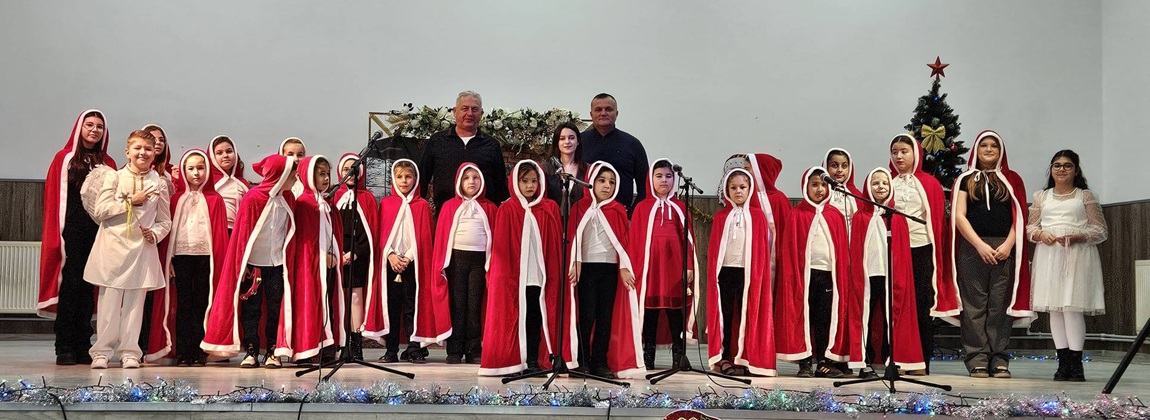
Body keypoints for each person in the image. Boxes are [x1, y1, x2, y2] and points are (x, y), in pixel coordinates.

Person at [84, 130, 172, 369]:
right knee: (109, 303)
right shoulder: (114, 177)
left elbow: (165, 220)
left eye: (148, 149)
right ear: (127, 152)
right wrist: (131, 200)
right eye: (138, 148)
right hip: (112, 247)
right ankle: (101, 351)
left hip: (141, 248)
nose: (143, 153)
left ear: (155, 153)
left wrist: (155, 233)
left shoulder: (159, 183)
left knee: (135, 304)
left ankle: (130, 351)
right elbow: (100, 210)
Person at [950, 130, 1034, 379]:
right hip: (973, 248)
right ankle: (977, 358)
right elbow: (959, 215)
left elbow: (1020, 216)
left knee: (1000, 305)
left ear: (1001, 151)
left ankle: (999, 358)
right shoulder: (965, 179)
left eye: (993, 146)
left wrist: (1008, 245)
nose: (988, 149)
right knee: (974, 306)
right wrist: (979, 245)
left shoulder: (1012, 179)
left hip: (1004, 248)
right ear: (976, 150)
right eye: (983, 145)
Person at [200, 154, 297, 368]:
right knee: (252, 309)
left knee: (275, 308)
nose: (295, 179)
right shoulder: (254, 197)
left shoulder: (288, 199)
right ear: (280, 176)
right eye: (292, 176)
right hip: (254, 265)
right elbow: (242, 234)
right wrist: (242, 264)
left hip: (277, 264)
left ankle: (272, 350)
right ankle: (250, 350)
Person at [479, 160, 571, 376]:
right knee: (516, 317)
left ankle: (533, 360)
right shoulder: (507, 209)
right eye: (525, 181)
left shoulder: (548, 208)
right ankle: (515, 360)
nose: (530, 186)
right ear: (515, 182)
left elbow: (554, 247)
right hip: (515, 277)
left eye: (534, 181)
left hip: (539, 276)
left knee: (536, 318)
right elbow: (501, 249)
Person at [39, 110, 117, 366]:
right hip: (71, 232)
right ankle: (64, 346)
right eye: (89, 125)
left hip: (98, 233)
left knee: (89, 288)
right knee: (71, 286)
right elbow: (54, 199)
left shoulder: (108, 163)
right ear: (79, 128)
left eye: (99, 126)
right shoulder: (64, 159)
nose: (94, 130)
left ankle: (84, 344)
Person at [1027, 150, 1107, 382]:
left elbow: (1100, 229)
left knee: (1072, 307)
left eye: (1067, 165)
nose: (1061, 169)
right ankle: (1063, 363)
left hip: (1077, 254)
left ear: (1076, 170)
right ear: (1051, 169)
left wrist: (1080, 236)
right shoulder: (1041, 197)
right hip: (1049, 255)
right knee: (1055, 309)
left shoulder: (1085, 196)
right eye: (1057, 165)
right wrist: (1041, 235)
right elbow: (1030, 228)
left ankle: (1076, 364)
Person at [888, 134, 960, 375]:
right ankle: (897, 359)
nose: (899, 156)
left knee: (922, 305)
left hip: (922, 249)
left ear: (915, 154)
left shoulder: (930, 183)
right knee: (897, 304)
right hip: (894, 249)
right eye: (895, 152)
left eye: (904, 151)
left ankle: (921, 361)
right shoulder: (888, 182)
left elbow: (938, 223)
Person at [845, 168, 924, 378]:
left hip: (890, 276)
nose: (880, 187)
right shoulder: (860, 217)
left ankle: (893, 359)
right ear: (867, 187)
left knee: (891, 318)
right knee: (867, 317)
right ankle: (865, 360)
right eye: (875, 183)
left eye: (885, 183)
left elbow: (902, 254)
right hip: (868, 276)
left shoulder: (897, 217)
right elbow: (856, 249)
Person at [776, 167, 851, 378]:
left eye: (824, 185)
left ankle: (824, 362)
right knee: (803, 318)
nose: (820, 189)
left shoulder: (835, 215)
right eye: (815, 185)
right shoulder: (796, 214)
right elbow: (789, 250)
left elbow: (841, 251)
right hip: (804, 276)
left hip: (827, 276)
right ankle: (805, 362)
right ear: (805, 187)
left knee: (824, 319)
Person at [157, 149, 229, 366]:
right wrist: (169, 260)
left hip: (206, 257)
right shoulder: (176, 199)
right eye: (191, 168)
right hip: (182, 256)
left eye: (200, 168)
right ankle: (184, 351)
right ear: (183, 171)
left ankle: (199, 350)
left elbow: (220, 234)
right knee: (184, 303)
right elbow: (170, 231)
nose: (196, 173)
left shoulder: (215, 199)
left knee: (202, 302)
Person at [626, 159, 699, 371]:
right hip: (650, 268)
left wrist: (688, 265)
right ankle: (648, 354)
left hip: (673, 266)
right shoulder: (642, 208)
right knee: (650, 311)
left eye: (668, 176)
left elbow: (688, 239)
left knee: (675, 310)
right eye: (659, 176)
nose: (664, 180)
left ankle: (679, 354)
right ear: (651, 179)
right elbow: (635, 240)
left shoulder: (680, 207)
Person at [363, 159, 436, 363]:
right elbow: (381, 234)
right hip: (391, 263)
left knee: (412, 306)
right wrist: (391, 255)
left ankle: (413, 349)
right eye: (400, 177)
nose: (404, 181)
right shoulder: (387, 204)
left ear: (416, 179)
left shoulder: (422, 206)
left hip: (413, 263)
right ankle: (391, 350)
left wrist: (408, 257)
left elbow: (424, 237)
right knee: (392, 307)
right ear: (393, 179)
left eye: (408, 177)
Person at [705, 168, 776, 377]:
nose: (738, 191)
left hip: (749, 274)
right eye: (733, 187)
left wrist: (758, 275)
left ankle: (747, 358)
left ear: (749, 189)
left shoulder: (757, 216)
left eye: (742, 187)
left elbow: (762, 250)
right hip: (726, 272)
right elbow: (715, 249)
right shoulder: (721, 216)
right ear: (727, 190)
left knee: (749, 315)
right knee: (726, 316)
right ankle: (725, 358)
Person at [568, 162, 634, 379]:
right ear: (591, 182)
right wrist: (576, 261)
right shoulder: (579, 208)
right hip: (586, 269)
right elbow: (573, 238)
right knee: (586, 316)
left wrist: (624, 267)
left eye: (612, 182)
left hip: (609, 269)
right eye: (602, 180)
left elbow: (623, 242)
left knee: (605, 317)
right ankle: (582, 361)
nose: (607, 186)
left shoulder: (618, 210)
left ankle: (600, 361)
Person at [432, 163, 498, 364]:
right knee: (457, 304)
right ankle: (454, 349)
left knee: (474, 305)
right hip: (456, 260)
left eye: (475, 177)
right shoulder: (449, 206)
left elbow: (496, 238)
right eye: (467, 178)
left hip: (479, 262)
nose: (471, 182)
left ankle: (473, 349)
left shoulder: (490, 207)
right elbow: (442, 237)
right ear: (459, 182)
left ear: (482, 181)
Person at [288, 155, 345, 364]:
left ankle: (327, 348)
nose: (326, 178)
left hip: (328, 265)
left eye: (327, 174)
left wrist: (334, 254)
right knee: (309, 305)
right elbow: (306, 240)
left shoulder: (327, 203)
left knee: (327, 304)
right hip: (309, 265)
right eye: (321, 174)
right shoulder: (304, 203)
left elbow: (332, 234)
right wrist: (322, 257)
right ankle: (306, 349)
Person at [418, 91, 510, 210]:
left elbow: (500, 184)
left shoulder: (491, 145)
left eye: (475, 109)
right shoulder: (437, 141)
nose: (470, 113)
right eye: (465, 109)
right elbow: (422, 177)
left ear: (481, 113)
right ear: (455, 111)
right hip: (446, 212)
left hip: (483, 214)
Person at [333, 153, 380, 361]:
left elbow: (371, 231)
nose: (350, 173)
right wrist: (338, 253)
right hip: (336, 256)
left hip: (358, 256)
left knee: (355, 297)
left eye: (354, 169)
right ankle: (340, 341)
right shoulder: (334, 195)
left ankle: (356, 342)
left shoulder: (367, 198)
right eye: (346, 169)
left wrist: (354, 253)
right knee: (338, 297)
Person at [580, 93, 649, 213]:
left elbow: (645, 188)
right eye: (598, 109)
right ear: (591, 114)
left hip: (621, 215)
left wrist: (631, 216)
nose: (603, 113)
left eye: (608, 109)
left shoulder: (632, 144)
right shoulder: (578, 143)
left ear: (616, 114)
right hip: (583, 215)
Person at [209, 135, 250, 234]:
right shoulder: (207, 183)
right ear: (212, 157)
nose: (225, 155)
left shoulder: (243, 184)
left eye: (229, 151)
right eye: (219, 153)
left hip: (237, 232)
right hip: (213, 231)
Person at [542, 121, 587, 204]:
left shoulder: (587, 169)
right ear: (557, 142)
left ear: (578, 141)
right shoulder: (546, 168)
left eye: (571, 138)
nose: (567, 142)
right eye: (562, 138)